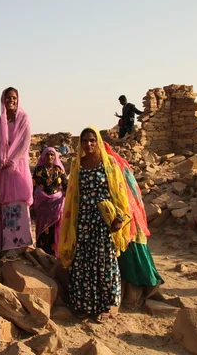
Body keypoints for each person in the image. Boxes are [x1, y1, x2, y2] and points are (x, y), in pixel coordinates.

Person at [59, 127, 128, 323]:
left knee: (104, 263)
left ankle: (105, 306)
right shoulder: (77, 165)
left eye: (92, 140)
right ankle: (83, 305)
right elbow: (72, 194)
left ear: (97, 142)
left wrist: (119, 218)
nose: (88, 144)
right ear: (79, 143)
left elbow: (119, 192)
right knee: (82, 263)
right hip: (82, 222)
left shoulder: (109, 165)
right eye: (84, 141)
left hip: (103, 223)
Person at [104, 142, 163, 297]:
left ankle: (144, 284)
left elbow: (129, 193)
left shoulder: (113, 165)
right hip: (126, 214)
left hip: (126, 215)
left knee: (130, 248)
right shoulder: (115, 164)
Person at [0, 87, 33, 257]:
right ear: (3, 100)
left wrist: (12, 161)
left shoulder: (24, 119)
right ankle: (2, 245)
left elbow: (24, 144)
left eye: (14, 98)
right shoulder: (0, 122)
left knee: (17, 202)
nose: (11, 101)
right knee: (2, 202)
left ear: (18, 99)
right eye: (8, 98)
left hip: (17, 169)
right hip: (2, 170)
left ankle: (18, 245)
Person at [32, 147, 67, 256]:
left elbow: (66, 186)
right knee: (43, 231)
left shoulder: (59, 170)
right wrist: (32, 205)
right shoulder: (38, 170)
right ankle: (41, 254)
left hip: (56, 207)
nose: (50, 157)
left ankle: (54, 254)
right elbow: (33, 187)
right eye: (47, 154)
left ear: (55, 156)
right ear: (43, 156)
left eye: (52, 154)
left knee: (55, 230)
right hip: (42, 206)